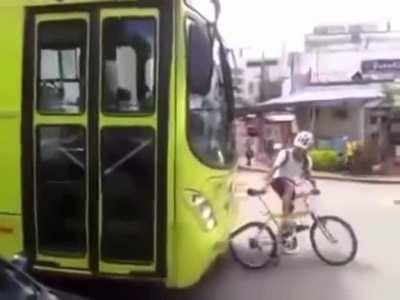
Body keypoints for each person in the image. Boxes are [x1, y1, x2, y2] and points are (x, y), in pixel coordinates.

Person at [266, 131, 315, 254]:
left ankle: (282, 235)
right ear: (295, 145)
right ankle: (286, 222)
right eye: (298, 149)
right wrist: (265, 184)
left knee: (294, 204)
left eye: (303, 150)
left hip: (293, 185)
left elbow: (309, 177)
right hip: (279, 182)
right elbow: (274, 168)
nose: (299, 152)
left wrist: (312, 188)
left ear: (308, 150)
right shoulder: (285, 154)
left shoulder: (307, 160)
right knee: (289, 187)